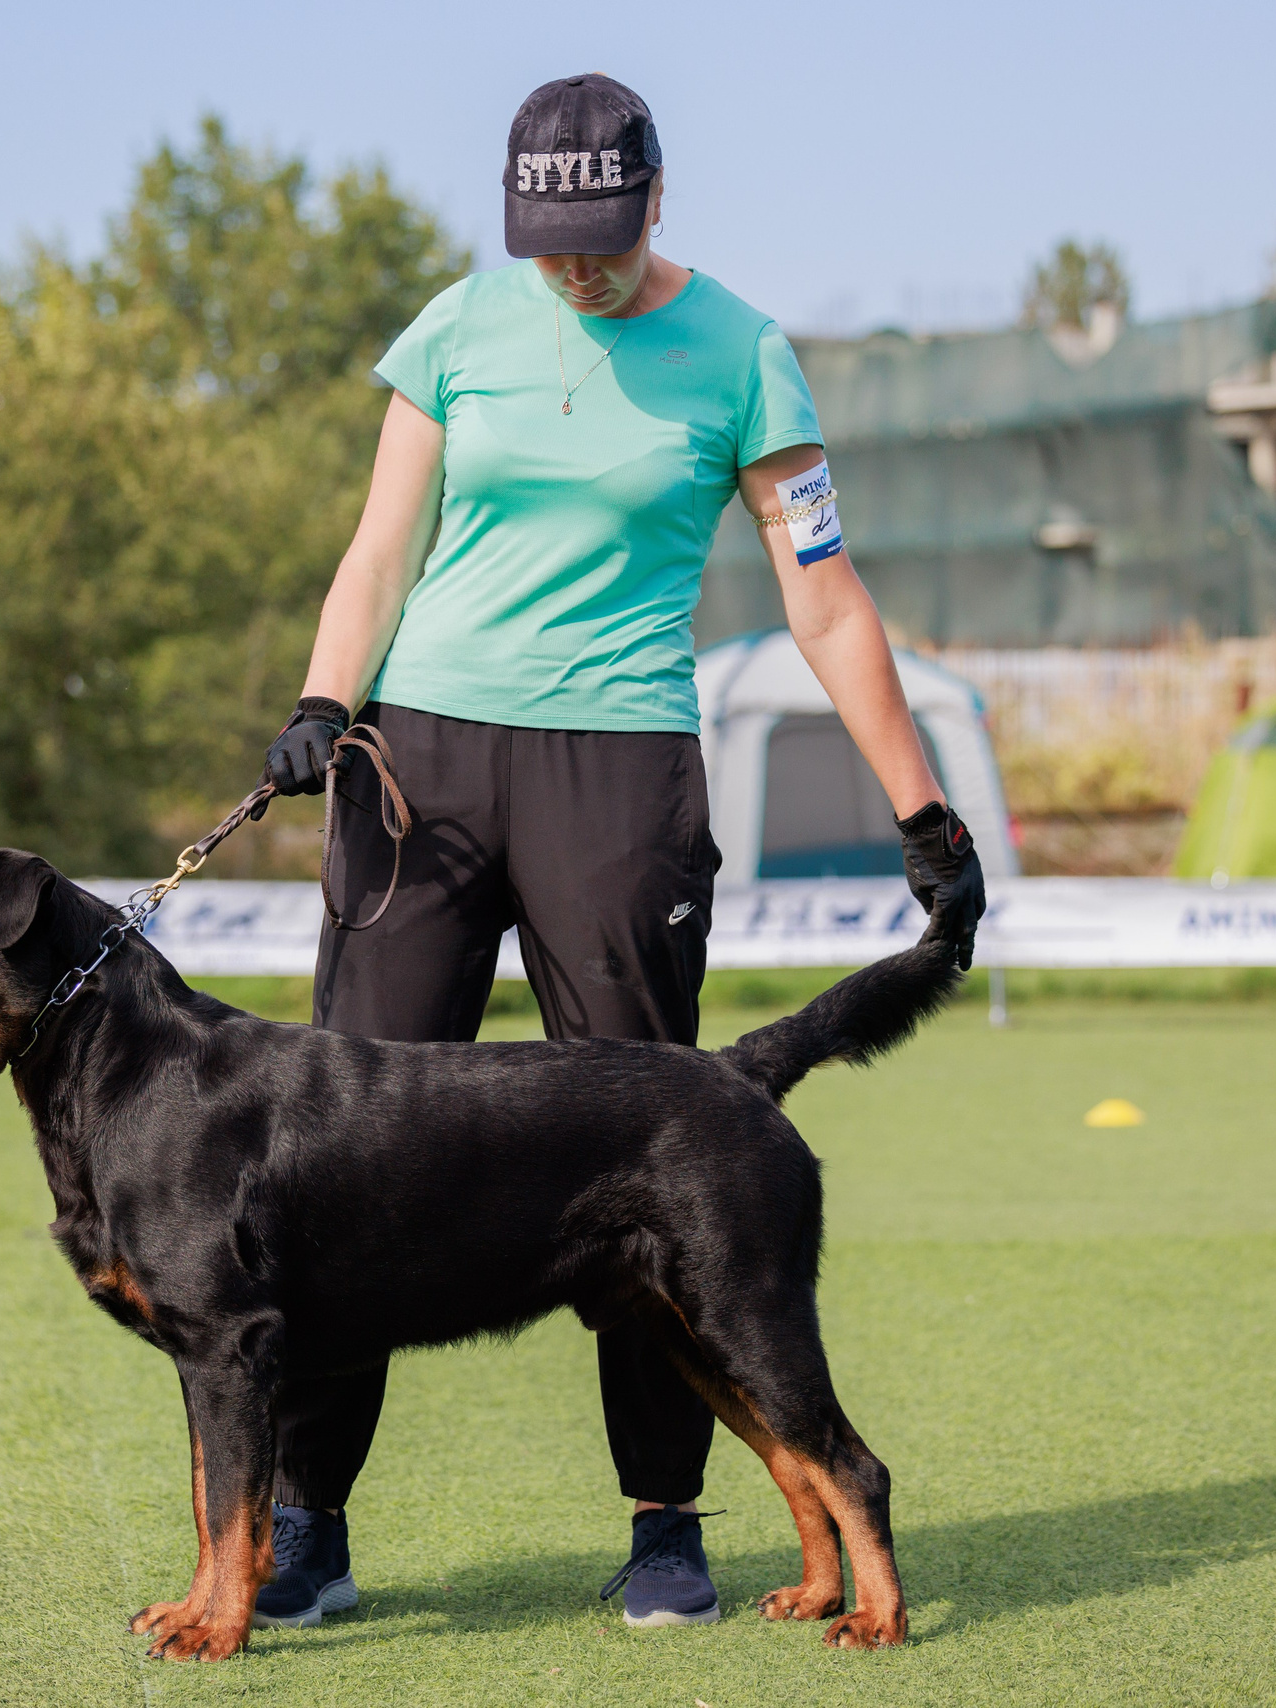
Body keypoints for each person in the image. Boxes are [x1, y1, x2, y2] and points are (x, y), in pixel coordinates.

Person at [251, 74, 986, 1632]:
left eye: (597, 237)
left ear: (654, 200)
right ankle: (307, 1523)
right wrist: (326, 698)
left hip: (620, 771)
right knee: (346, 1146)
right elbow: (379, 549)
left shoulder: (744, 355)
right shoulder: (455, 330)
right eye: (546, 240)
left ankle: (666, 1524)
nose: (573, 270)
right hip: (420, 762)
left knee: (652, 1154)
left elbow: (827, 599)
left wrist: (925, 809)